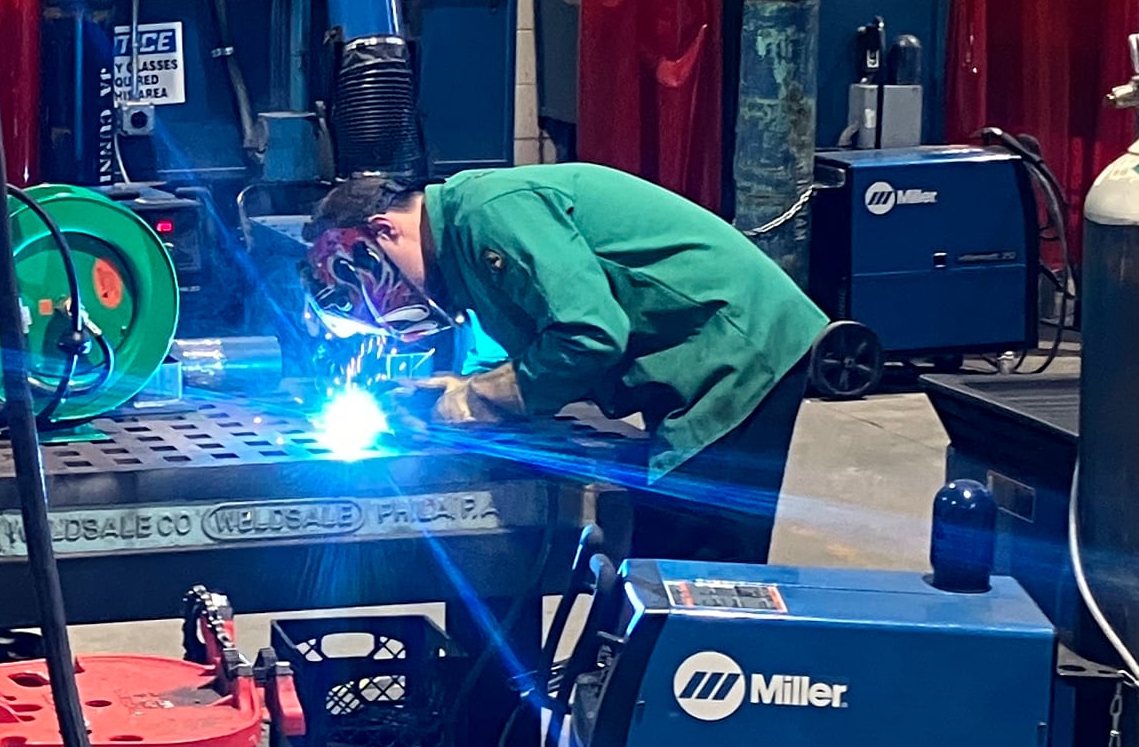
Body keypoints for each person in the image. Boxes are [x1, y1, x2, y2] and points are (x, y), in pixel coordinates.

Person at [306, 164, 829, 565]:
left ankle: (701, 691)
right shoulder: (466, 244)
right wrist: (470, 384)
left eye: (359, 283)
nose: (381, 315)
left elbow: (588, 334)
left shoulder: (489, 210)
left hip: (736, 349)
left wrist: (487, 396)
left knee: (691, 560)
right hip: (703, 357)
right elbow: (535, 335)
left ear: (382, 232)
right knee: (662, 554)